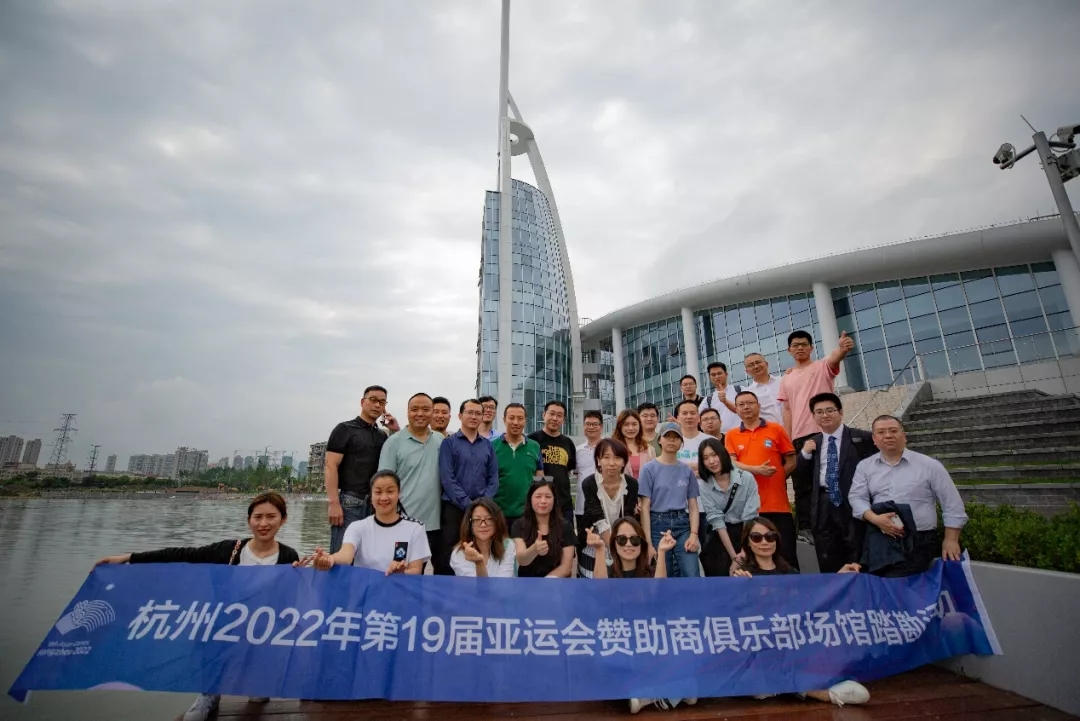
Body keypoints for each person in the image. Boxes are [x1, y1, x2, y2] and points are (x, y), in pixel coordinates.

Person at [96, 492, 300, 721]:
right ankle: (209, 694)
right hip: (224, 626)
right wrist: (129, 557)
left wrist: (310, 572)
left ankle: (256, 680)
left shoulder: (288, 556)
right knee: (210, 629)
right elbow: (183, 555)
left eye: (271, 517)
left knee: (266, 670)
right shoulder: (229, 550)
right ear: (248, 520)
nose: (263, 524)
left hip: (261, 629)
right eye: (257, 517)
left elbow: (292, 603)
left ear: (283, 519)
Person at [732, 517, 870, 708]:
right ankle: (825, 694)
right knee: (762, 671)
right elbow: (736, 613)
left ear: (777, 540)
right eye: (756, 537)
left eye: (770, 536)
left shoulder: (789, 572)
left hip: (791, 641)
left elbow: (812, 597)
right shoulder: (743, 574)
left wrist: (840, 576)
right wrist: (738, 586)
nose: (764, 542)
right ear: (747, 542)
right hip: (761, 644)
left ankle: (794, 686)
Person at [585, 519, 694, 714]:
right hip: (620, 643)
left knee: (685, 658)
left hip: (649, 643)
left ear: (642, 544)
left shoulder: (651, 572)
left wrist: (661, 553)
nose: (628, 545)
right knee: (607, 663)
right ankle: (668, 694)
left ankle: (651, 696)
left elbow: (659, 594)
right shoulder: (608, 573)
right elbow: (600, 592)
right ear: (614, 544)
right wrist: (600, 550)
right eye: (622, 540)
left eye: (634, 540)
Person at [849, 415, 968, 576]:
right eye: (881, 432)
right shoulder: (865, 466)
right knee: (881, 585)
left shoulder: (929, 465)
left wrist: (951, 540)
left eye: (893, 431)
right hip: (880, 537)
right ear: (874, 439)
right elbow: (856, 497)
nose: (888, 435)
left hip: (919, 540)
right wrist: (875, 519)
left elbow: (952, 503)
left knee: (905, 585)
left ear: (904, 436)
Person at [793, 392, 876, 573]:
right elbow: (799, 477)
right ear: (813, 416)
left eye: (830, 410)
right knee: (828, 553)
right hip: (824, 504)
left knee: (858, 548)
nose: (825, 415)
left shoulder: (861, 438)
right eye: (819, 412)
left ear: (841, 412)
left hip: (853, 501)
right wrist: (804, 454)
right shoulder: (812, 443)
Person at [724, 391, 799, 570]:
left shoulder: (776, 429)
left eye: (750, 403)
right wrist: (756, 470)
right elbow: (731, 464)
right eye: (741, 404)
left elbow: (791, 461)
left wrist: (778, 477)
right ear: (736, 409)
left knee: (786, 557)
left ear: (758, 406)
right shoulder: (731, 435)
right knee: (752, 562)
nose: (746, 407)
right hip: (748, 509)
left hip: (777, 505)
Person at [324, 385, 400, 553]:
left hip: (376, 504)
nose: (377, 405)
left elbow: (395, 456)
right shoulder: (345, 429)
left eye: (382, 402)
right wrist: (333, 503)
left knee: (369, 556)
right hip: (350, 502)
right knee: (342, 555)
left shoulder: (382, 435)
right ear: (362, 401)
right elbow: (330, 465)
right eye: (373, 400)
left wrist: (395, 430)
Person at [310, 470, 430, 574]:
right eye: (378, 492)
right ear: (371, 495)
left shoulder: (415, 528)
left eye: (390, 491)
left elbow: (416, 570)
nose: (384, 497)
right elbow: (346, 555)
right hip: (365, 592)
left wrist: (402, 573)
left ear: (399, 494)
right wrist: (331, 559)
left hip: (398, 592)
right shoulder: (357, 527)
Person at [377, 392, 443, 568]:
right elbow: (383, 485)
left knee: (441, 572)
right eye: (415, 409)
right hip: (403, 525)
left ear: (432, 412)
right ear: (407, 412)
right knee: (402, 572)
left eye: (425, 409)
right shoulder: (393, 442)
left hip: (435, 526)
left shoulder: (440, 440)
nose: (420, 413)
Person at [435, 399, 498, 576]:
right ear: (460, 415)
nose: (474, 416)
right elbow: (447, 478)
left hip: (482, 510)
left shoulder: (488, 445)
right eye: (470, 412)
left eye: (478, 413)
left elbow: (493, 478)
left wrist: (482, 504)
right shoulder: (449, 443)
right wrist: (468, 504)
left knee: (480, 549)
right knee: (449, 552)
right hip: (454, 508)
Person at [638, 422, 701, 578]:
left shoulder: (687, 470)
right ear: (660, 440)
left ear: (681, 442)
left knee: (691, 572)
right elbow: (645, 508)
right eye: (667, 437)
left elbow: (693, 505)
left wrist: (694, 534)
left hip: (682, 523)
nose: (671, 440)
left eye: (676, 437)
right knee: (662, 573)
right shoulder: (649, 469)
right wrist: (648, 543)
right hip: (657, 523)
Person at [778, 330, 855, 450]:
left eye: (804, 344)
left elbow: (834, 358)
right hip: (798, 437)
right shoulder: (786, 378)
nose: (800, 348)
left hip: (825, 431)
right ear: (789, 350)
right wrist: (788, 441)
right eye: (795, 345)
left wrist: (842, 350)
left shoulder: (822, 366)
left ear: (811, 348)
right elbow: (787, 411)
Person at [696, 438, 760, 577]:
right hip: (721, 535)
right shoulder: (705, 486)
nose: (711, 461)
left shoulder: (746, 478)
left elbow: (749, 517)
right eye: (705, 458)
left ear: (722, 454)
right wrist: (734, 558)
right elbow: (717, 521)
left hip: (746, 533)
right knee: (718, 572)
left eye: (714, 455)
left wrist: (743, 552)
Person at [578, 439, 639, 578]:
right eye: (606, 457)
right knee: (593, 582)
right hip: (595, 538)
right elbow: (597, 516)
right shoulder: (589, 483)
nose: (612, 463)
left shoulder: (631, 484)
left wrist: (620, 546)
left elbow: (628, 515)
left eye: (617, 458)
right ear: (598, 461)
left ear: (624, 462)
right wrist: (613, 547)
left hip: (623, 539)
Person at [491, 403, 544, 529]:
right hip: (497, 514)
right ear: (504, 420)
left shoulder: (535, 446)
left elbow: (539, 479)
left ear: (525, 421)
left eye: (520, 418)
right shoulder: (491, 446)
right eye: (511, 418)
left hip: (526, 515)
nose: (516, 422)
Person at [512, 479, 576, 578]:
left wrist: (546, 582)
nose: (543, 501)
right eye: (538, 496)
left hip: (556, 583)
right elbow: (522, 560)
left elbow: (566, 567)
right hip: (527, 582)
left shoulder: (566, 527)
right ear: (530, 499)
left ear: (554, 500)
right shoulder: (519, 525)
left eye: (548, 497)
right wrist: (534, 550)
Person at [528, 400, 577, 528]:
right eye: (552, 414)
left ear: (563, 420)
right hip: (539, 503)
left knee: (566, 537)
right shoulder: (532, 440)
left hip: (564, 504)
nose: (555, 418)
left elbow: (568, 471)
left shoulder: (568, 443)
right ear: (544, 415)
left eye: (559, 415)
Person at [450, 498, 516, 577]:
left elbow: (504, 580)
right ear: (470, 524)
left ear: (497, 522)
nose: (483, 525)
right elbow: (475, 584)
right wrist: (479, 563)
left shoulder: (508, 545)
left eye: (489, 519)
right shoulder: (459, 553)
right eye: (477, 519)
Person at [574, 410, 604, 545]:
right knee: (583, 545)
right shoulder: (577, 450)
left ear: (601, 427)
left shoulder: (608, 448)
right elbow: (576, 474)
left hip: (604, 507)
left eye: (595, 424)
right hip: (582, 507)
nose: (591, 427)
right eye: (588, 424)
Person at [698, 361, 741, 433]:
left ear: (726, 374)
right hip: (720, 437)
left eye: (719, 373)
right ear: (710, 377)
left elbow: (743, 410)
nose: (717, 377)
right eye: (713, 375)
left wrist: (725, 401)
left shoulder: (739, 390)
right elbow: (698, 417)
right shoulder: (708, 399)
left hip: (741, 433)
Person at [611, 409, 655, 478]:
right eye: (626, 424)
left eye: (634, 424)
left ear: (639, 425)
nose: (631, 428)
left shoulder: (649, 449)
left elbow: (654, 474)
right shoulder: (613, 449)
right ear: (620, 426)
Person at [743, 353, 782, 424]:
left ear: (766, 364)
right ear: (747, 371)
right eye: (751, 365)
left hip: (795, 426)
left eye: (758, 362)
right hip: (769, 429)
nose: (756, 366)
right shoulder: (747, 393)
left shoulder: (783, 381)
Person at [673, 400, 706, 475]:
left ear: (699, 418)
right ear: (678, 419)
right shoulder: (671, 442)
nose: (689, 416)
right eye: (684, 413)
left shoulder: (710, 440)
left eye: (693, 413)